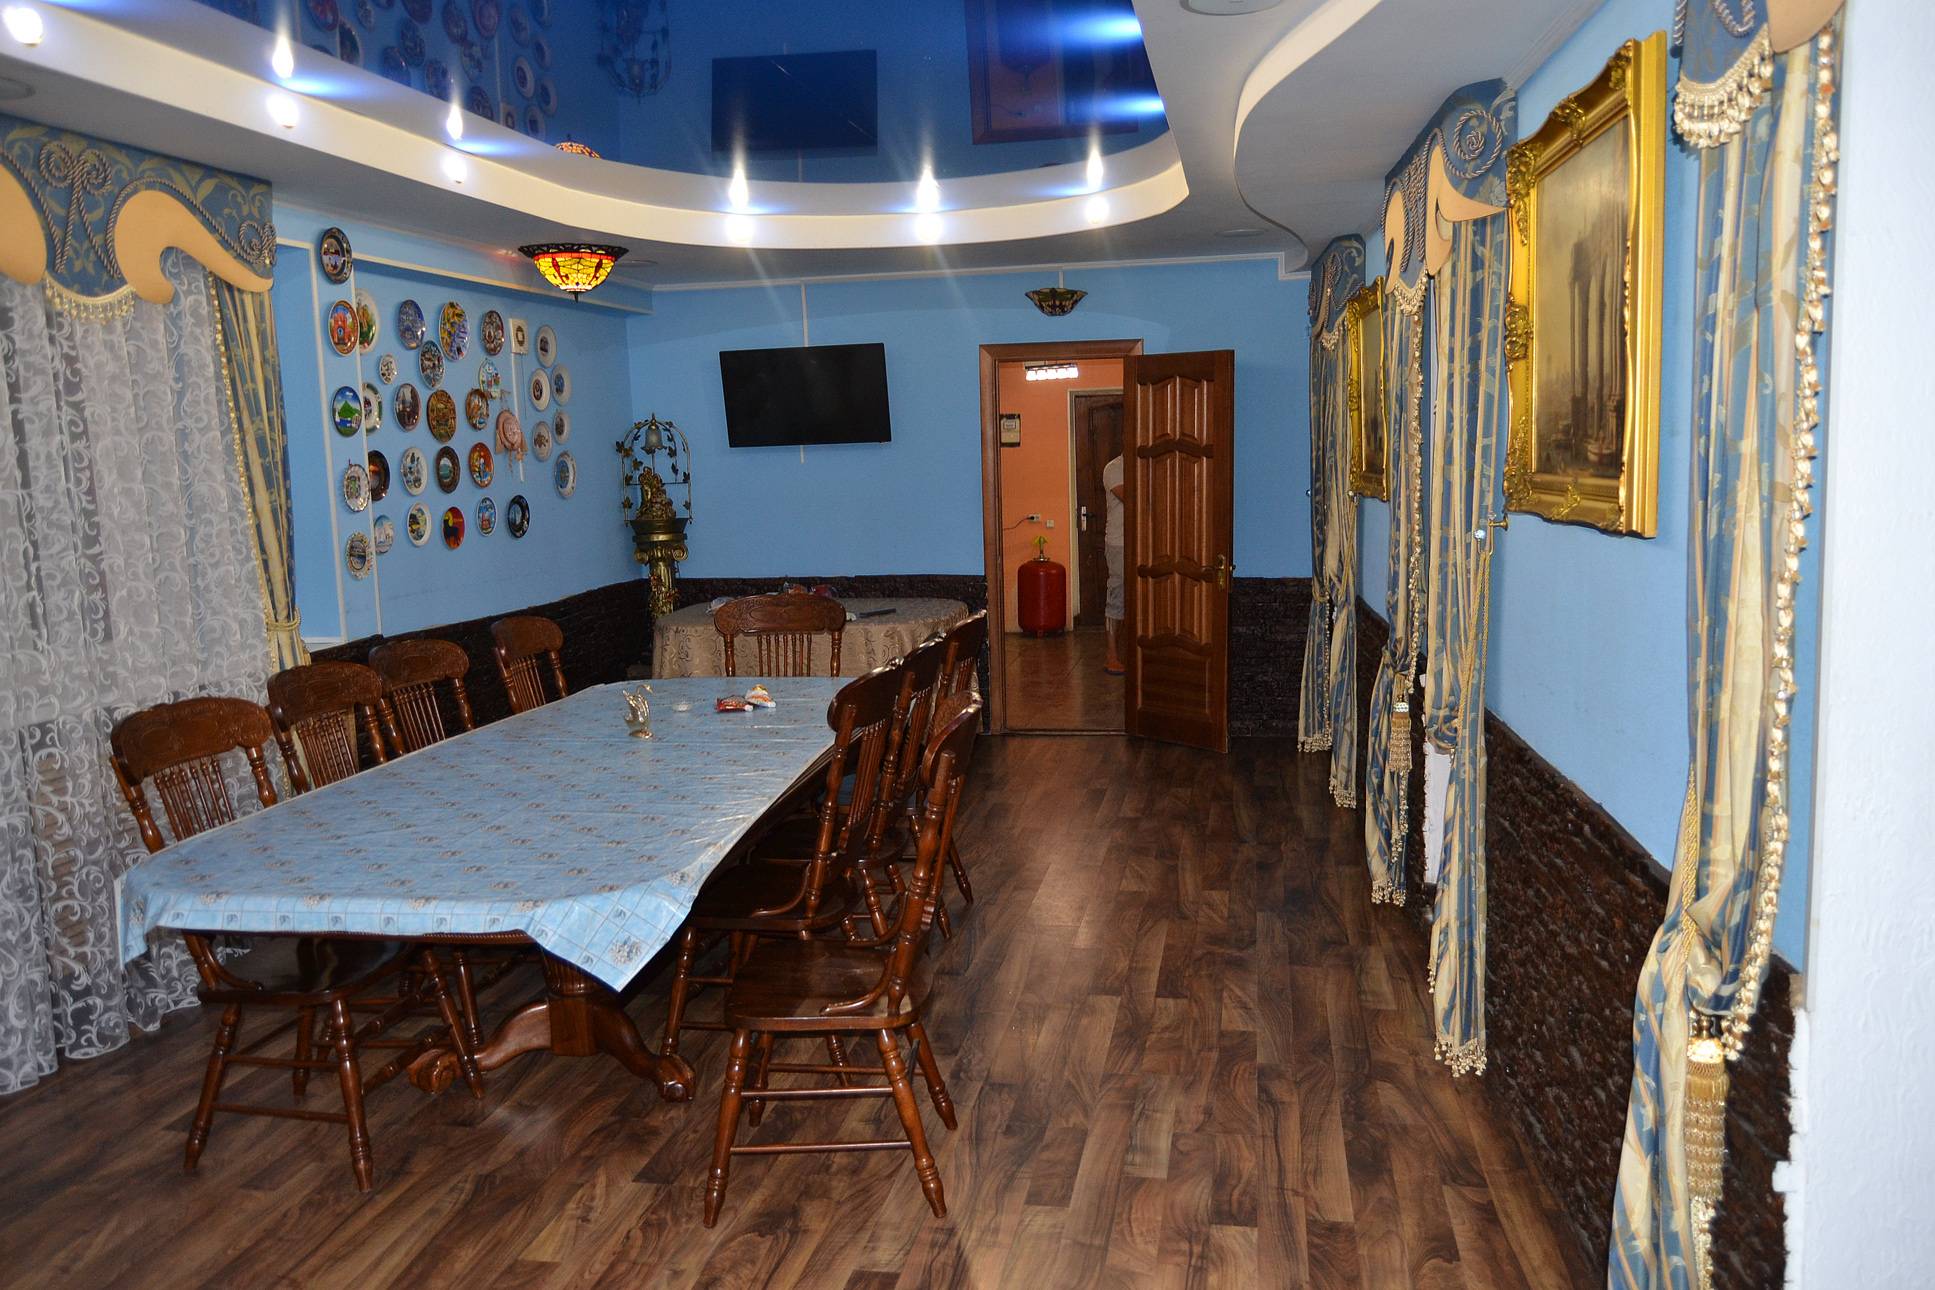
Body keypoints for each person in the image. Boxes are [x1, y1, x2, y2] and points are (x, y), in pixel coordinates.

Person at [1103, 453, 1125, 675]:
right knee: (1117, 597)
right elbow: (1131, 496)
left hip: (1142, 543)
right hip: (1119, 544)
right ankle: (1111, 656)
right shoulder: (1114, 468)